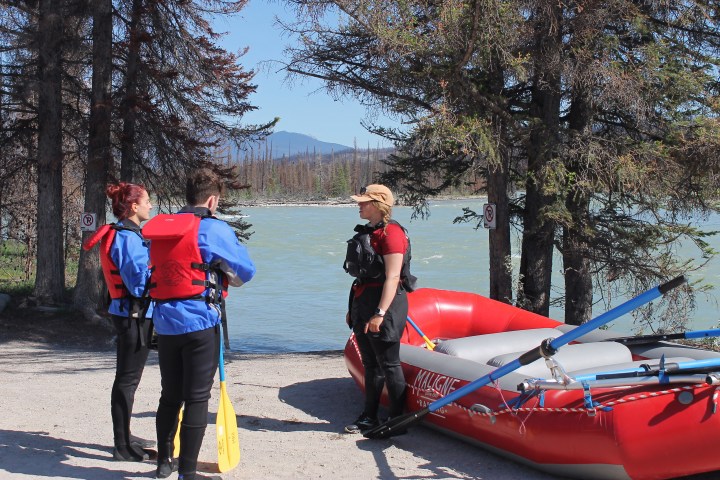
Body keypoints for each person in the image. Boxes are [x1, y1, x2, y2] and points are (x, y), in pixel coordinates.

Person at [143, 167, 256, 480]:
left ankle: (164, 463)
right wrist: (220, 269)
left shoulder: (161, 227)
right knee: (196, 398)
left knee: (170, 395)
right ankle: (188, 472)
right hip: (199, 323)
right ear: (212, 200)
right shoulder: (213, 229)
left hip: (164, 323)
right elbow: (245, 271)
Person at [83, 182, 155, 461]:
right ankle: (122, 445)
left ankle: (124, 434)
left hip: (132, 314)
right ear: (134, 207)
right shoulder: (126, 238)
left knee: (130, 380)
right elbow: (139, 285)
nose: (151, 205)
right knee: (126, 380)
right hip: (131, 315)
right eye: (147, 201)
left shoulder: (131, 234)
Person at [342, 184, 414, 434]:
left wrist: (380, 313)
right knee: (371, 364)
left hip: (386, 304)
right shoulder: (369, 231)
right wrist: (354, 309)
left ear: (378, 204)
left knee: (389, 364)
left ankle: (396, 421)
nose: (359, 205)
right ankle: (369, 417)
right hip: (364, 300)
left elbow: (393, 277)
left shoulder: (392, 233)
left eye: (364, 201)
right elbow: (361, 278)